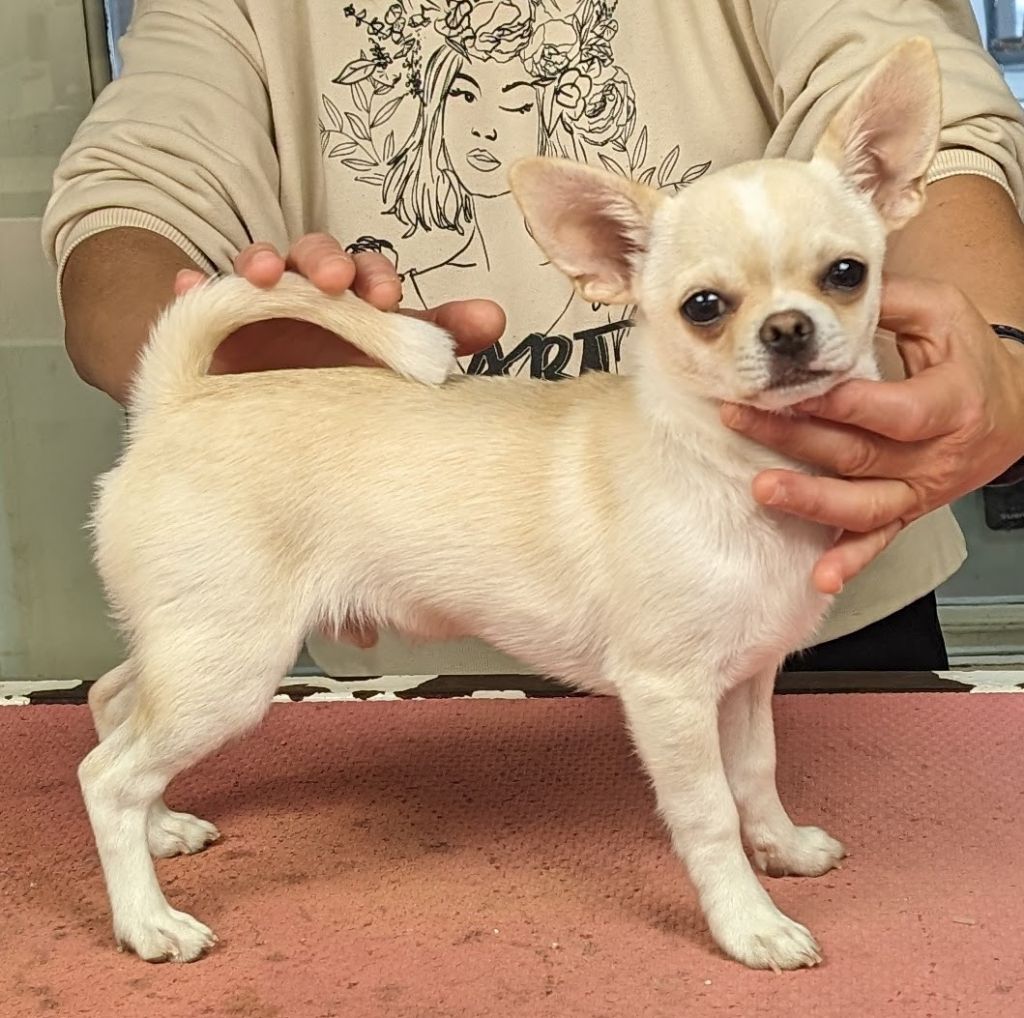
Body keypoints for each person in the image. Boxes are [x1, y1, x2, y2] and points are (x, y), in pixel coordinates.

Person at [42, 0, 1024, 673]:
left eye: (839, 276)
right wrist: (255, 368)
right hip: (433, 618)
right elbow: (131, 192)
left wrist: (998, 348)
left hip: (832, 592)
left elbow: (923, 103)